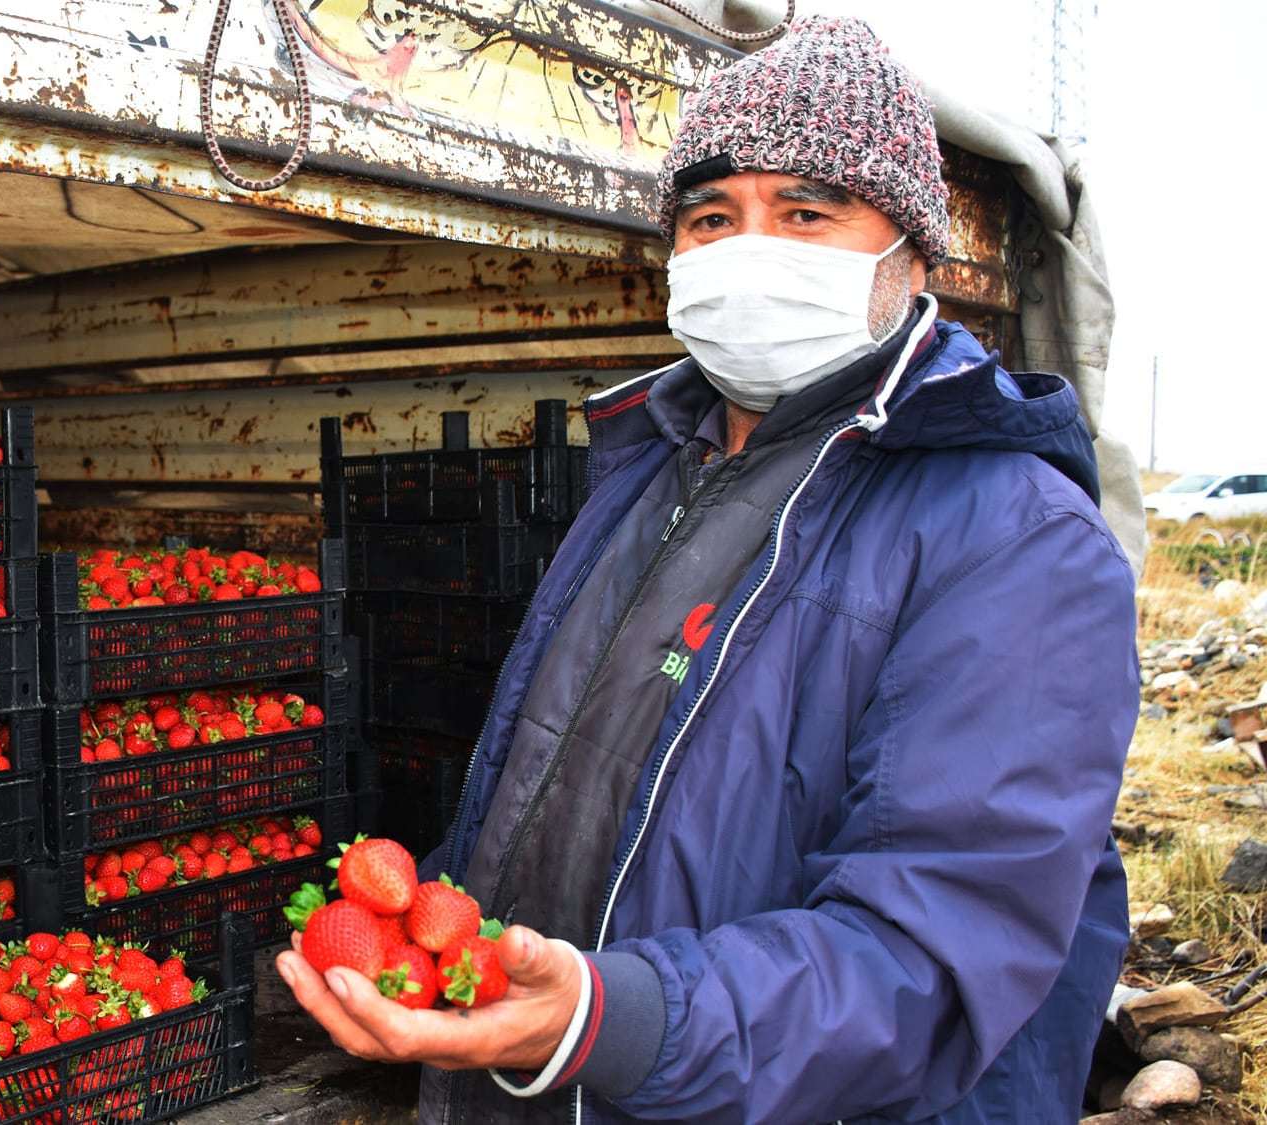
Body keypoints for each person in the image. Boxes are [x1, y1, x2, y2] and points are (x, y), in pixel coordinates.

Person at [278, 16, 1138, 1123]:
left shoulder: (1017, 541)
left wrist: (608, 1019)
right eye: (711, 217)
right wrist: (437, 940)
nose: (749, 249)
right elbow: (561, 776)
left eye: (806, 212)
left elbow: (927, 962)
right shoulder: (647, 468)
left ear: (914, 253)